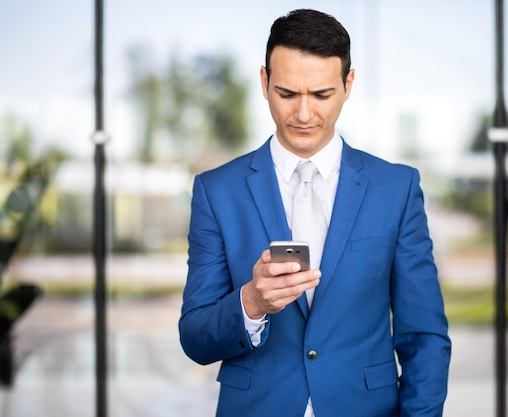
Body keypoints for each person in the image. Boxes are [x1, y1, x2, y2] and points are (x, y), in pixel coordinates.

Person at [179, 9, 451, 417]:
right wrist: (251, 303)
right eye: (287, 94)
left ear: (348, 84)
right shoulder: (217, 191)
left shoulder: (396, 189)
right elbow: (195, 337)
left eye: (321, 95)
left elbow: (425, 337)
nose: (304, 114)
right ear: (265, 82)